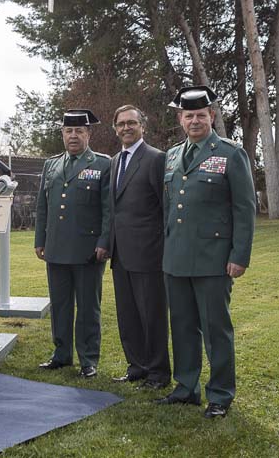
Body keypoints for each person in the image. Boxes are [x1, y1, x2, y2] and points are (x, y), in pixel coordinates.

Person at [155, 86, 255, 419]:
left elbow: (244, 208)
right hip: (177, 258)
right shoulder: (171, 155)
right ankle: (185, 388)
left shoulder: (230, 153)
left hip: (214, 260)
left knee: (216, 330)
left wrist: (239, 255)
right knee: (182, 327)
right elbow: (168, 207)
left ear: (211, 116)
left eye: (200, 114)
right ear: (180, 119)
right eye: (188, 115)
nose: (194, 120)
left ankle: (221, 394)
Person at [98, 105, 171, 390]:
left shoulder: (156, 159)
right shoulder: (115, 161)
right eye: (121, 124)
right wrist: (107, 243)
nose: (126, 128)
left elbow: (164, 208)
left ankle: (158, 373)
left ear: (143, 126)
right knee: (128, 316)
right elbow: (113, 209)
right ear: (115, 128)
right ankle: (137, 366)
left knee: (152, 316)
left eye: (132, 123)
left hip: (149, 253)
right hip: (121, 254)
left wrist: (164, 248)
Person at [35, 109, 111, 378]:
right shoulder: (51, 165)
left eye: (79, 131)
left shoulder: (103, 164)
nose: (74, 135)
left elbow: (108, 209)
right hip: (55, 248)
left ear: (88, 134)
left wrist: (104, 242)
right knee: (60, 305)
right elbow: (42, 206)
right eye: (69, 131)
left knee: (89, 307)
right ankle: (61, 354)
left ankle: (88, 358)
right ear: (63, 134)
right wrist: (40, 239)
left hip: (87, 250)